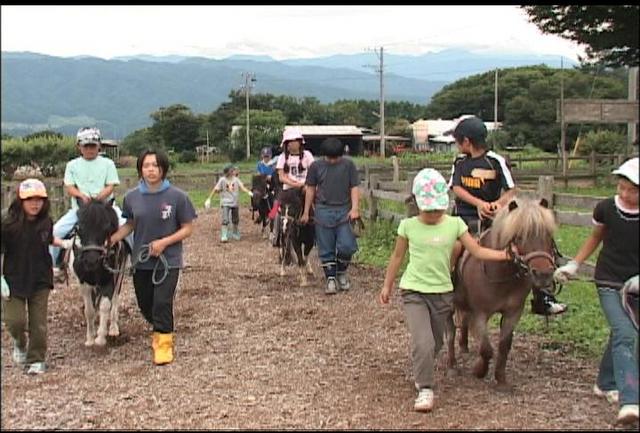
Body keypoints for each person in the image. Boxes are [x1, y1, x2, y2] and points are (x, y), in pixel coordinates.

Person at [379, 168, 516, 413]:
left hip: (442, 293)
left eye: (437, 208)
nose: (433, 213)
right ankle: (425, 388)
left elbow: (477, 251)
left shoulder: (455, 224)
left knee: (435, 344)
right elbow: (397, 257)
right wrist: (387, 285)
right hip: (414, 292)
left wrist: (504, 255)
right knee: (423, 342)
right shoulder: (408, 226)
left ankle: (422, 368)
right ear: (418, 205)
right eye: (428, 209)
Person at [446, 115, 566, 316]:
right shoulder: (459, 162)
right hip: (464, 216)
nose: (457, 145)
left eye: (457, 141)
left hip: (495, 218)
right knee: (455, 247)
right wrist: (479, 204)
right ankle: (449, 287)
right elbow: (456, 188)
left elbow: (511, 190)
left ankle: (543, 295)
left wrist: (496, 204)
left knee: (531, 244)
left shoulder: (496, 161)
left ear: (466, 141)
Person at [554, 157, 639, 425]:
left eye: (633, 190)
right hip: (610, 282)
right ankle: (630, 401)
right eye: (622, 187)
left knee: (622, 331)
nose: (625, 193)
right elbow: (595, 238)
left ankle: (605, 382)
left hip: (636, 284)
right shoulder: (607, 209)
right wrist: (574, 264)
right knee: (625, 334)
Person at [110, 150, 197, 366]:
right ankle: (159, 326)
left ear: (163, 169)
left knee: (162, 302)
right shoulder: (131, 197)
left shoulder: (178, 197)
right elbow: (130, 224)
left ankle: (164, 344)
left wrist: (164, 242)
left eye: (155, 165)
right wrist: (111, 239)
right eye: (146, 165)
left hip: (170, 260)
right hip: (142, 260)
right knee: (144, 303)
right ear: (140, 169)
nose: (151, 169)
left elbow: (187, 228)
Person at [1, 179, 72, 375]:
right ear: (20, 201)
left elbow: (48, 238)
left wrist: (65, 244)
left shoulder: (46, 222)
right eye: (30, 199)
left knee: (38, 323)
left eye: (39, 199)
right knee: (15, 321)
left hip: (40, 277)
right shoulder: (7, 224)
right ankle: (19, 343)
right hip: (13, 278)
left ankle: (37, 359)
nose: (35, 204)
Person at [49, 127, 127, 277]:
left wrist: (99, 197)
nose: (90, 149)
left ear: (99, 146)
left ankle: (133, 260)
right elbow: (69, 186)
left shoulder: (107, 164)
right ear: (79, 147)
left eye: (93, 146)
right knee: (56, 231)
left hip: (106, 208)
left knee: (127, 226)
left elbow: (111, 185)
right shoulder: (72, 165)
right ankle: (54, 266)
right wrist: (81, 195)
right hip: (80, 209)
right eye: (86, 146)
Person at [301, 137, 359, 295]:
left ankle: (341, 271)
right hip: (323, 210)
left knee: (347, 245)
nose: (333, 161)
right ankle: (330, 278)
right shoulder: (315, 167)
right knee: (325, 247)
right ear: (324, 155)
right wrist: (307, 211)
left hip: (344, 209)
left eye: (336, 157)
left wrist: (355, 208)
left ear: (341, 155)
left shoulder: (349, 165)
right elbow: (311, 189)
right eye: (329, 158)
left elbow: (354, 187)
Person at [272, 127, 315, 247]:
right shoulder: (282, 157)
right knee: (276, 209)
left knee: (317, 201)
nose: (291, 144)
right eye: (288, 142)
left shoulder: (307, 155)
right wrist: (295, 184)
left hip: (306, 187)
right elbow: (281, 177)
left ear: (300, 142)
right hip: (288, 190)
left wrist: (307, 184)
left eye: (293, 141)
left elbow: (314, 171)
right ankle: (275, 234)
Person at [204, 163, 253, 243]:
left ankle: (235, 232)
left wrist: (248, 192)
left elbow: (242, 187)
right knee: (225, 218)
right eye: (232, 170)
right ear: (229, 171)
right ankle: (224, 235)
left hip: (235, 202)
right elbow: (215, 189)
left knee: (235, 219)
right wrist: (209, 198)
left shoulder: (236, 179)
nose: (234, 171)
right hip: (225, 202)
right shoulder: (222, 180)